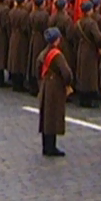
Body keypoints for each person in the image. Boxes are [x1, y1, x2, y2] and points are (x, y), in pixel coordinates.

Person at [37, 28, 73, 157]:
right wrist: (68, 83)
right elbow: (66, 72)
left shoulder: (43, 53)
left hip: (45, 84)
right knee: (53, 115)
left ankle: (46, 145)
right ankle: (51, 147)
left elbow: (38, 69)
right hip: (55, 87)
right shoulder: (57, 55)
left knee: (46, 115)